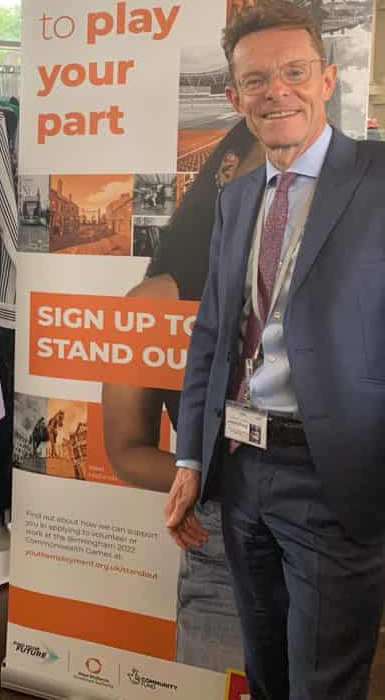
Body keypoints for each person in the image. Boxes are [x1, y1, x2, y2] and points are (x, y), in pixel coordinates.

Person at [165, 0, 385, 699]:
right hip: (239, 474)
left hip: (335, 480)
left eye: (295, 71)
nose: (277, 92)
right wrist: (189, 457)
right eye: (257, 80)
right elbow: (213, 336)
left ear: (328, 79)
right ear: (236, 96)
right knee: (265, 671)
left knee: (324, 684)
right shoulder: (238, 199)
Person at [103, 120, 261, 673]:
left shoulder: (325, 283)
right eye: (267, 165)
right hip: (222, 531)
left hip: (323, 531)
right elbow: (125, 449)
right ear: (227, 168)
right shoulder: (152, 301)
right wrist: (205, 478)